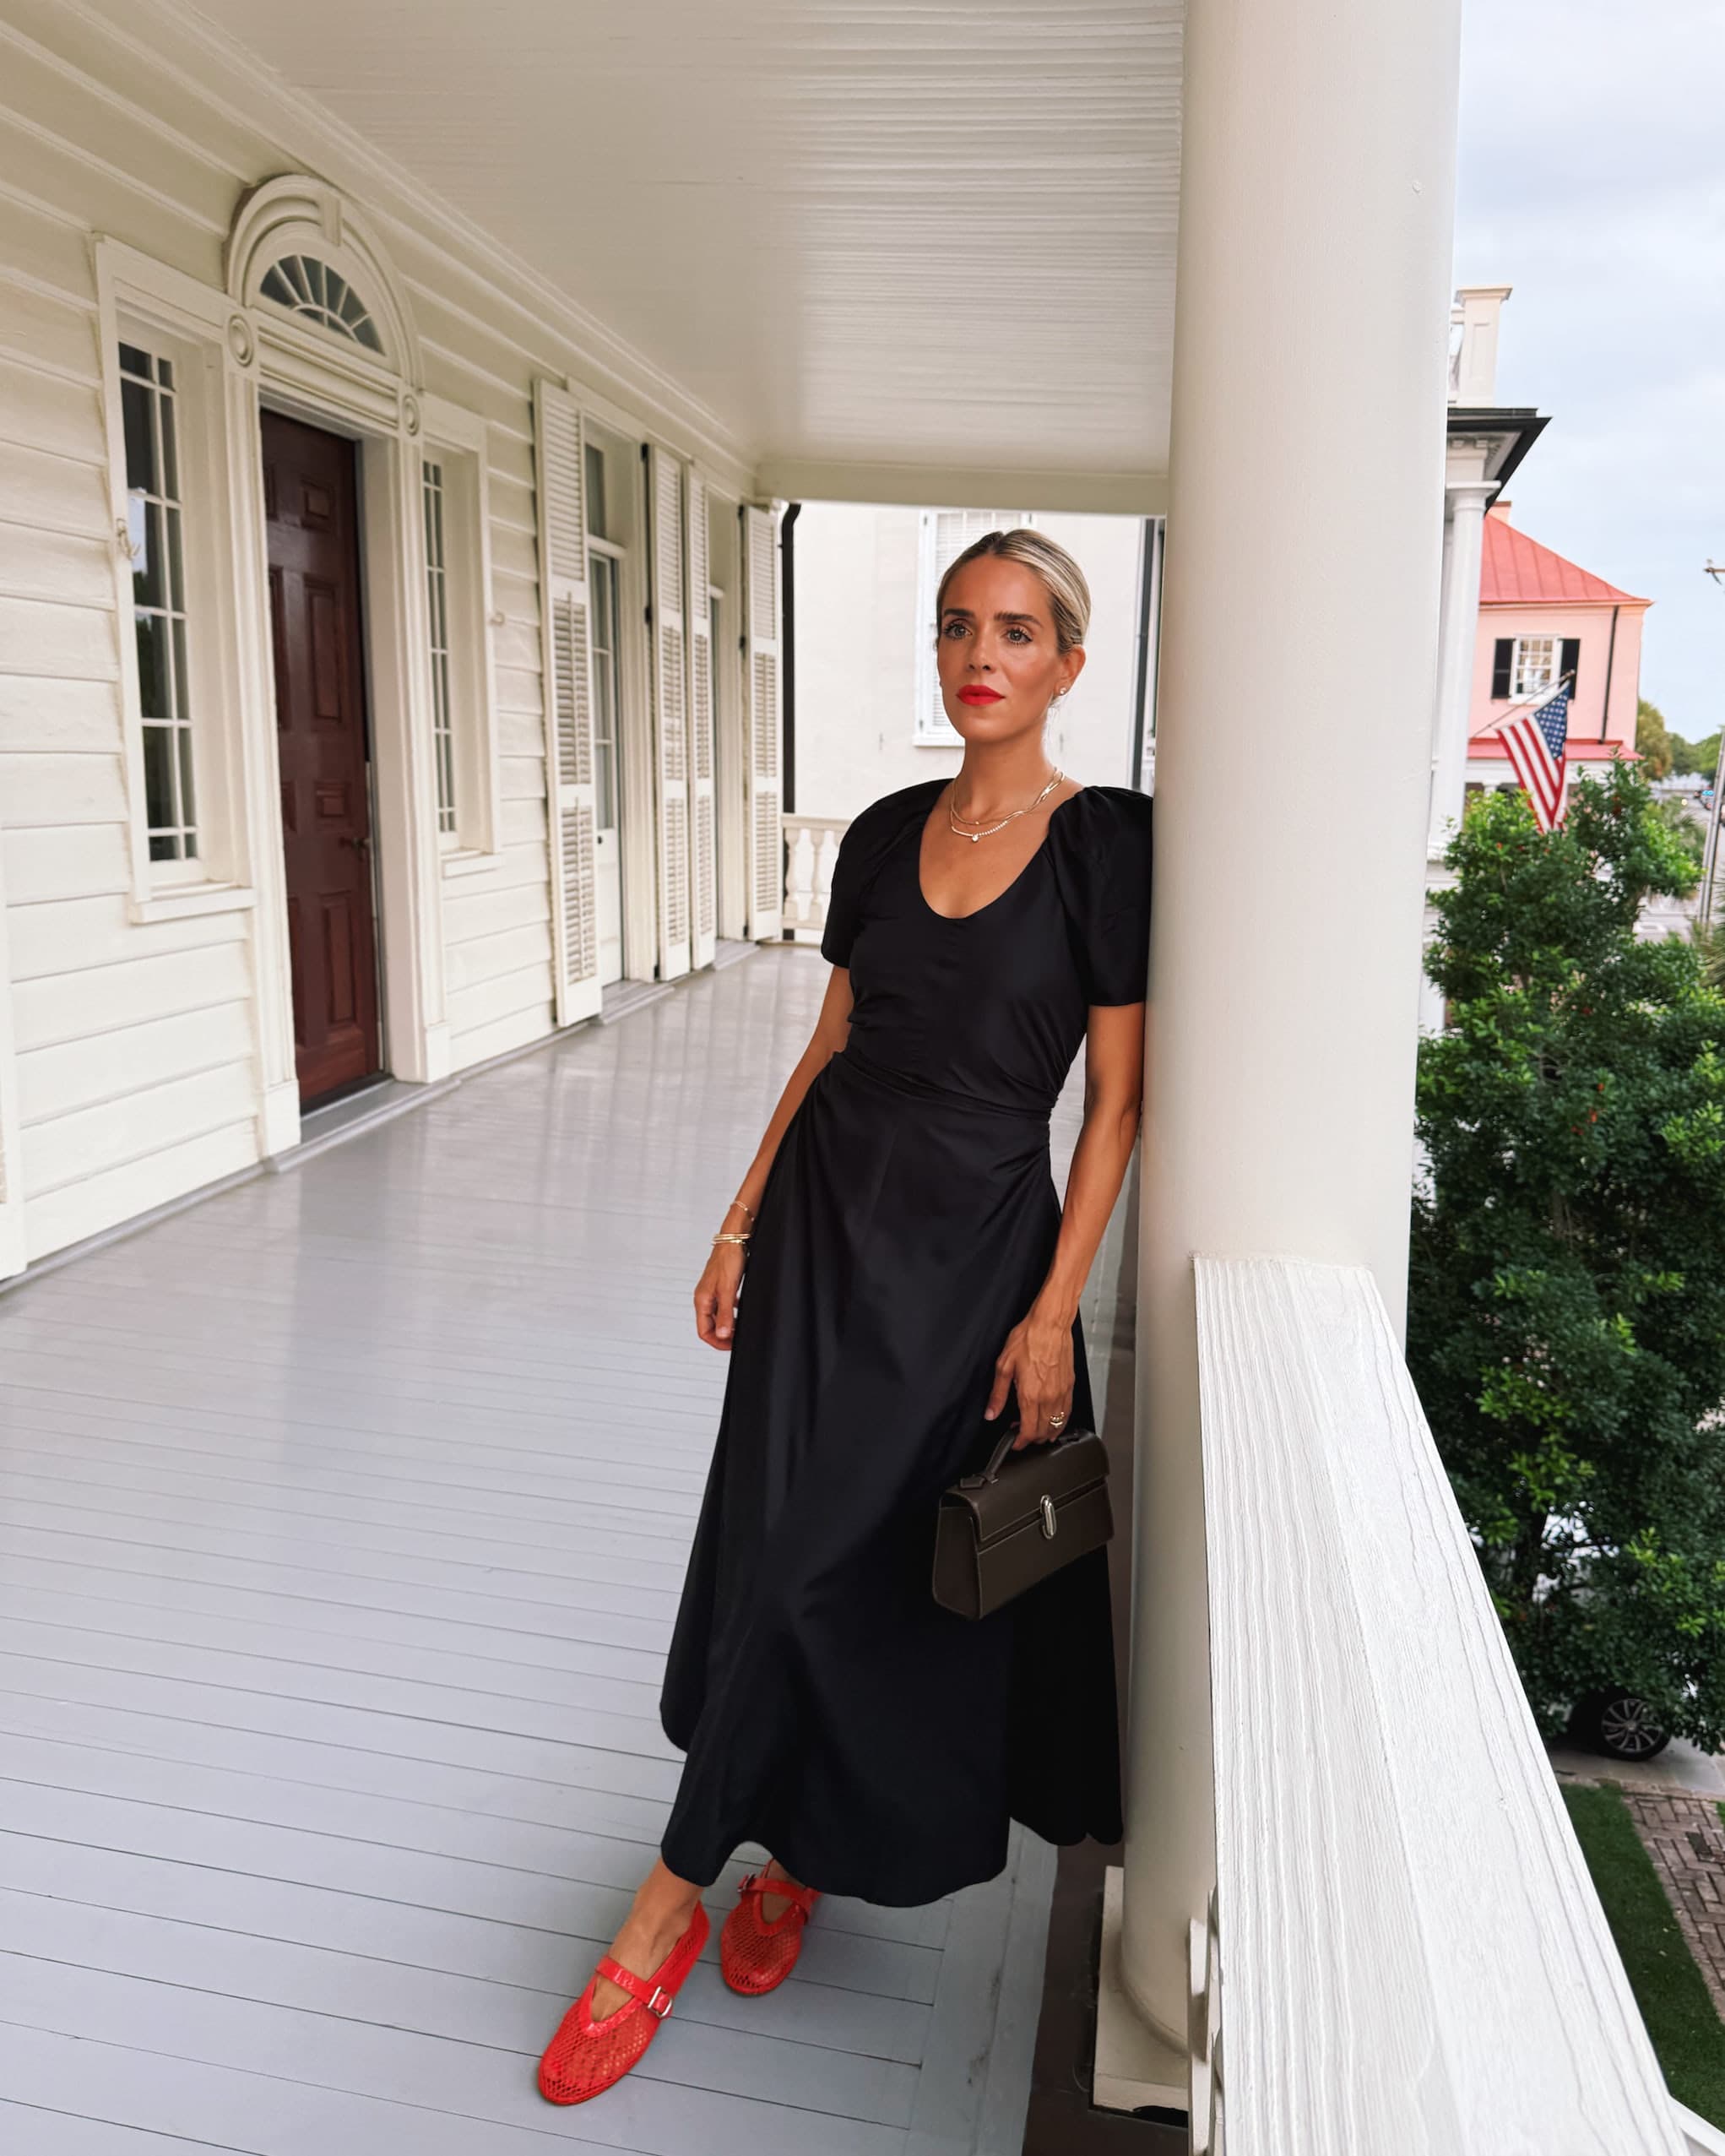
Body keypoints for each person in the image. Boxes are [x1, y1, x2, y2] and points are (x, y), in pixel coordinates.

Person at [536, 528, 1153, 2105]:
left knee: (849, 1570)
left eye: (1019, 630)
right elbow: (829, 1045)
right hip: (824, 1234)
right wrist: (739, 1216)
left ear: (1069, 664)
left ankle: (675, 1897)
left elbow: (1116, 1106)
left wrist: (1053, 1310)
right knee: (779, 1549)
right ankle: (755, 1859)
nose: (983, 653)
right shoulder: (880, 835)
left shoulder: (1108, 848)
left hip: (971, 1269)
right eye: (960, 625)